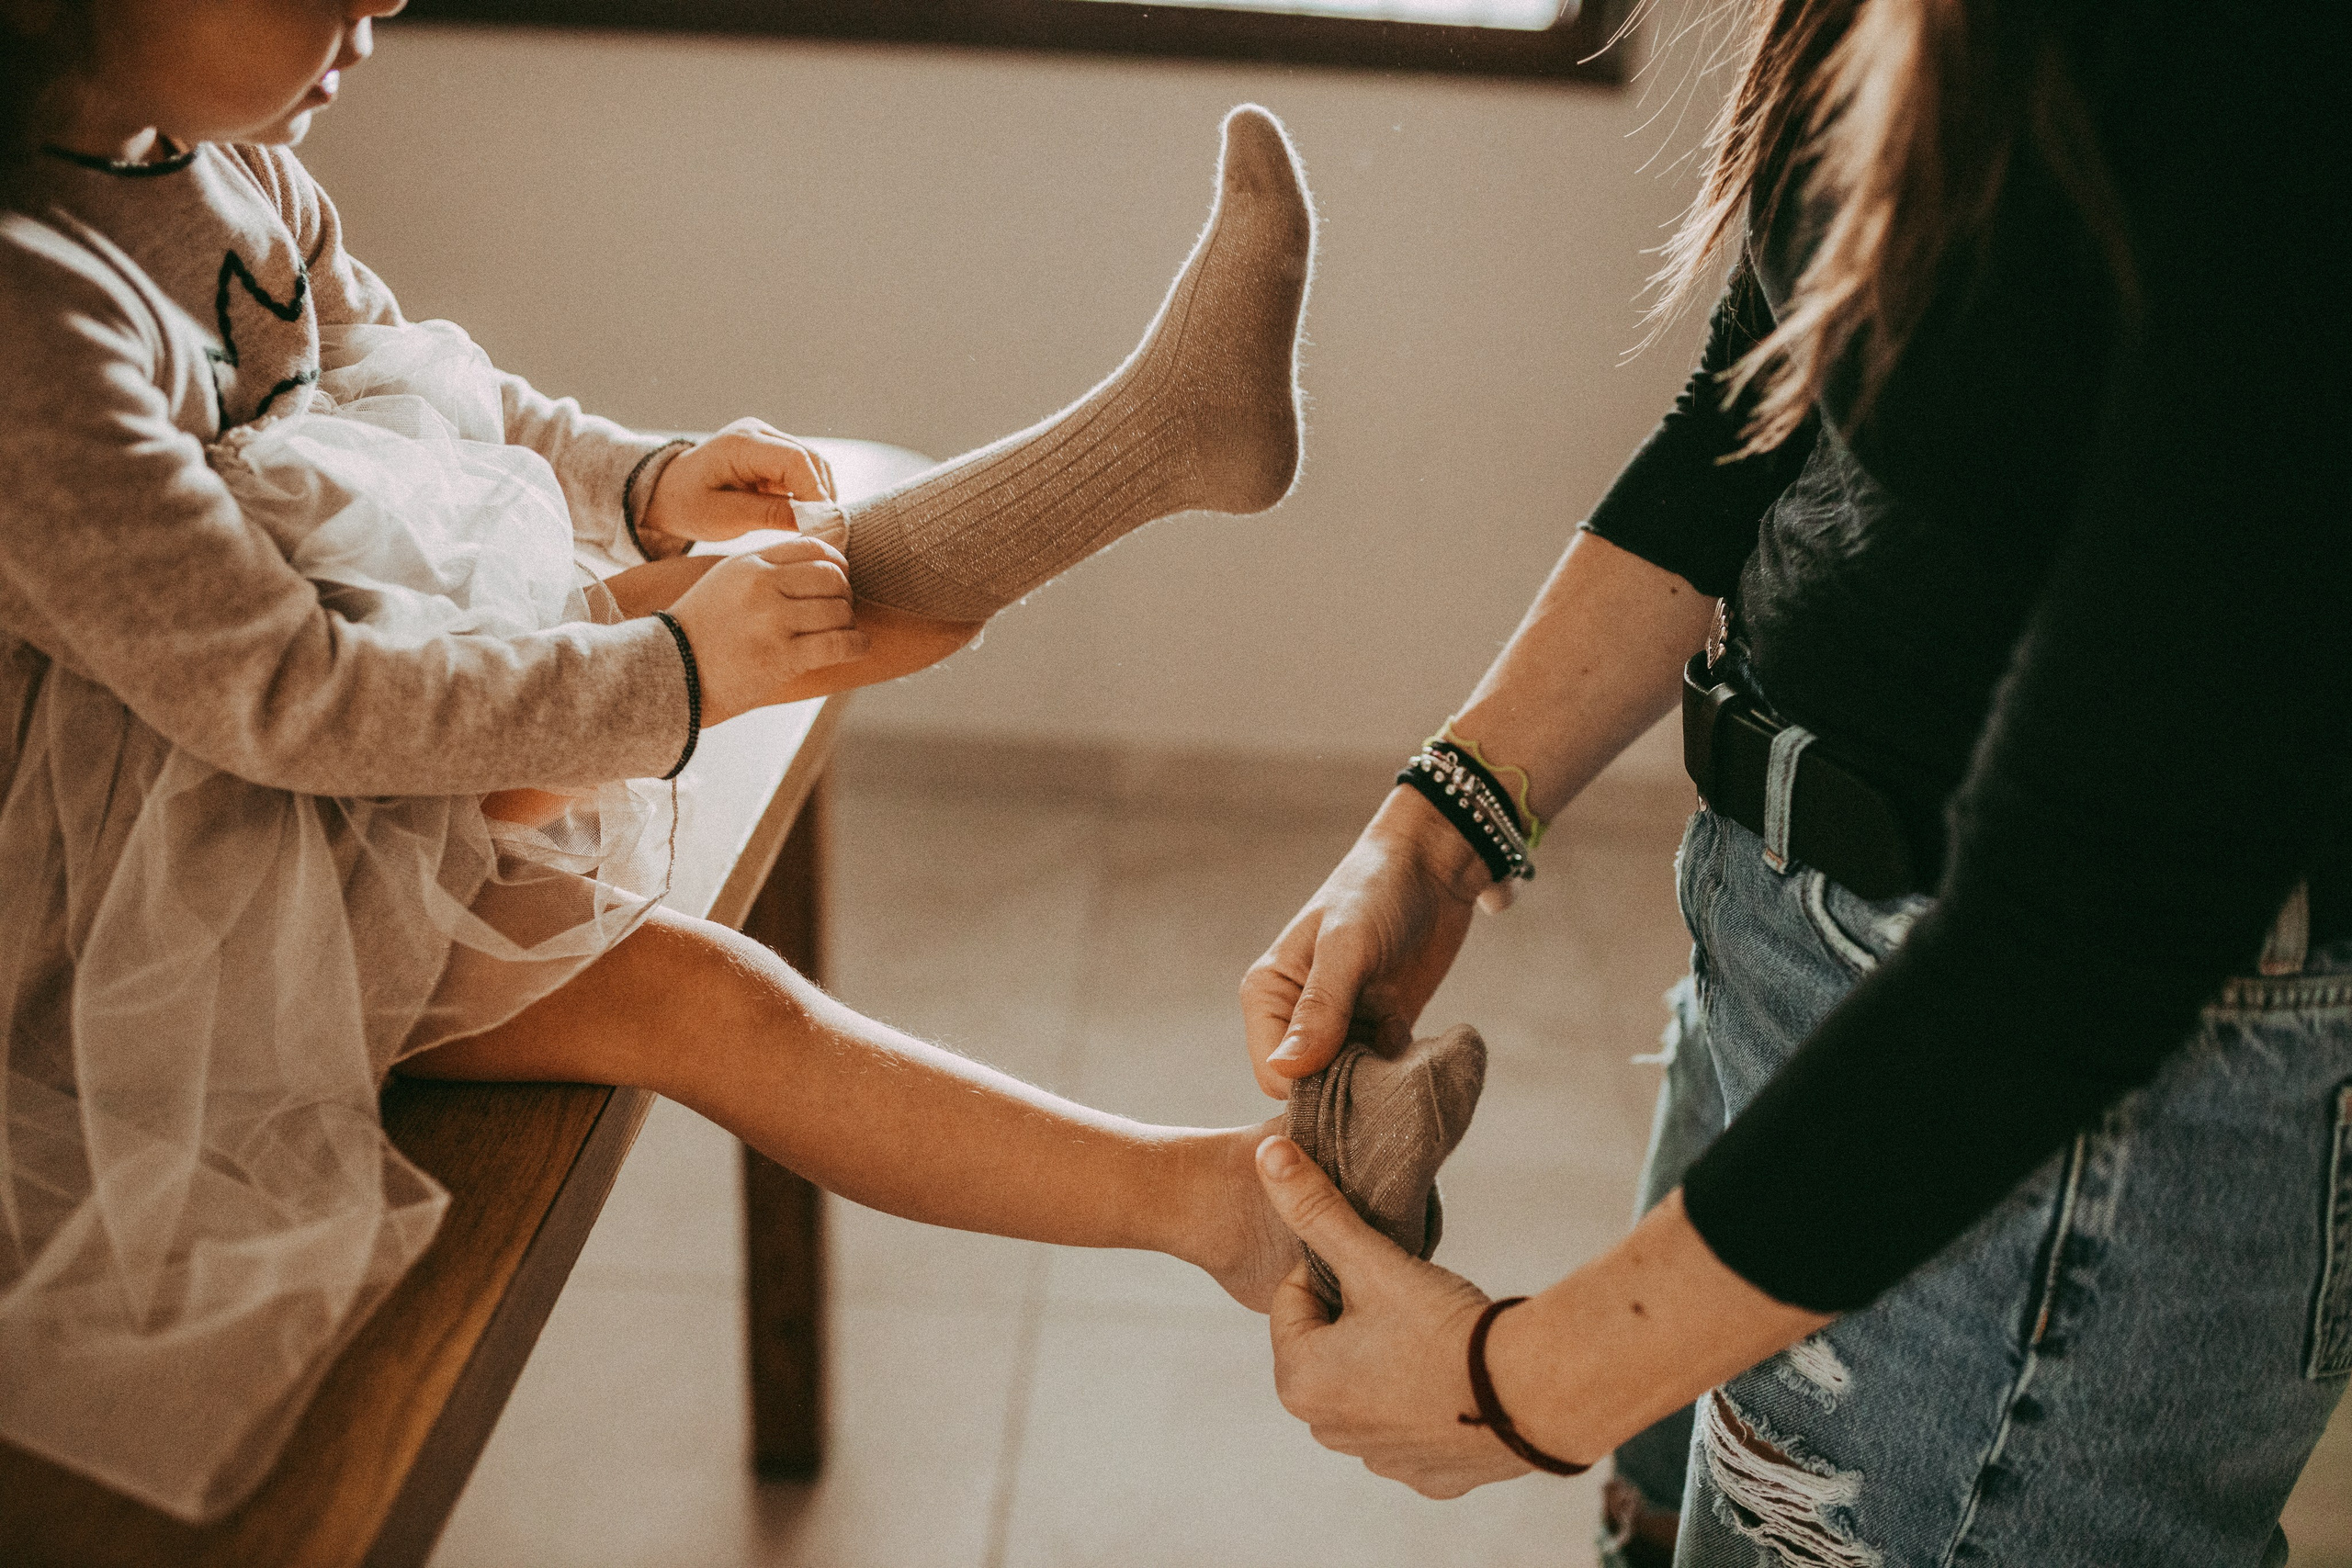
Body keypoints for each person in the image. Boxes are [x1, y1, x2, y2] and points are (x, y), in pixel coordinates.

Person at [0, 0, 1460, 1524]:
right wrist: (680, 672)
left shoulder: (234, 168)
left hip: (331, 751)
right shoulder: (26, 318)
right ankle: (1232, 1199)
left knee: (790, 604)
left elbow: (427, 385)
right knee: (711, 991)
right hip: (155, 888)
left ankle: (1161, 453)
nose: (385, 3)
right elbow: (286, 698)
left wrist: (641, 480)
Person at [1236, 0, 2348, 1563]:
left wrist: (1511, 1388)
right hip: (1795, 941)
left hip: (2064, 1093)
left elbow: (2094, 922)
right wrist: (1436, 825)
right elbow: (1758, 406)